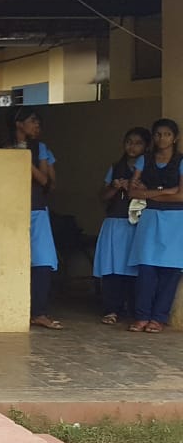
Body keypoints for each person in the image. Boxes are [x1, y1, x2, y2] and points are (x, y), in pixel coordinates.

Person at [126, 118, 183, 333]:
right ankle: (142, 316)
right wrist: (167, 191)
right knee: (146, 268)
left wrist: (149, 193)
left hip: (175, 221)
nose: (162, 138)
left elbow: (182, 196)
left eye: (167, 134)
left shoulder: (180, 161)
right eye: (158, 134)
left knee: (170, 271)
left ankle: (158, 318)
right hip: (150, 218)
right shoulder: (145, 159)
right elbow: (132, 192)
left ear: (175, 138)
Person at [92, 127, 149, 324]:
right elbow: (103, 196)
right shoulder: (116, 167)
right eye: (129, 142)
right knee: (112, 267)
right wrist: (114, 187)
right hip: (115, 223)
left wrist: (139, 188)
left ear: (146, 146)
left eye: (138, 143)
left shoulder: (149, 168)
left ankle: (132, 309)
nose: (132, 147)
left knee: (134, 268)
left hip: (137, 224)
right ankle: (111, 309)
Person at [13, 107, 62, 330]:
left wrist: (23, 158)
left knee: (43, 260)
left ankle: (39, 312)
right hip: (9, 211)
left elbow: (46, 181)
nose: (37, 126)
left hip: (37, 209)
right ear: (18, 123)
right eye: (32, 121)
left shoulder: (40, 148)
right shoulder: (3, 146)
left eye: (38, 123)